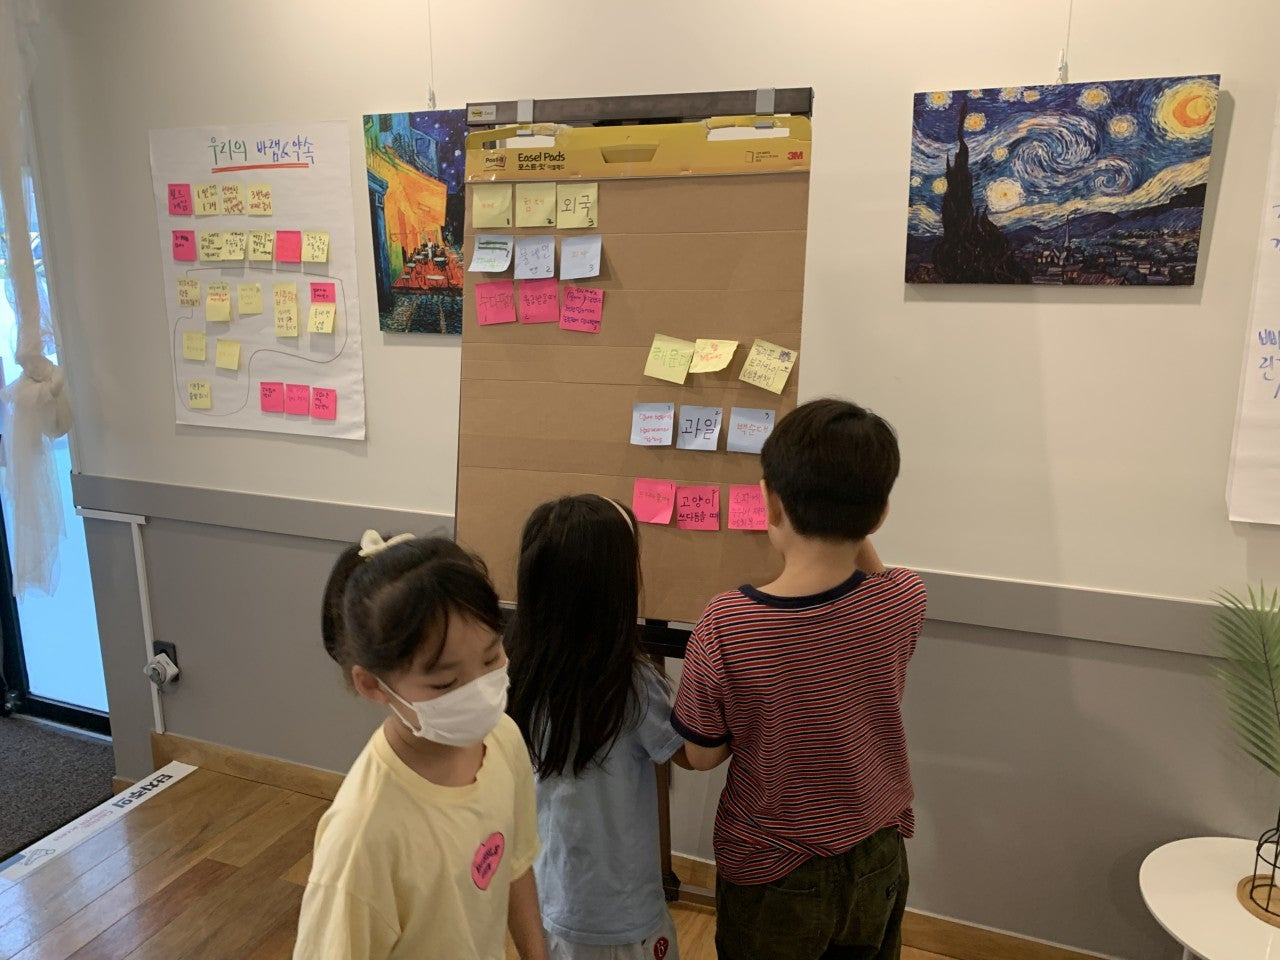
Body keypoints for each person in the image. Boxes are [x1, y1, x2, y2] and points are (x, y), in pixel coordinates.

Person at [672, 399, 928, 960]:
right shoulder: (904, 598)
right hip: (877, 850)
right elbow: (873, 572)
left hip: (772, 867)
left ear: (770, 501)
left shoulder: (729, 622)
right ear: (881, 515)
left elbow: (702, 756)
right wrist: (855, 520)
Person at [294, 531, 546, 960]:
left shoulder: (502, 739)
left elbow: (516, 867)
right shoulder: (362, 838)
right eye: (445, 682)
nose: (480, 690)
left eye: (490, 658)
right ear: (373, 685)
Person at [506, 494, 688, 960]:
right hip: (624, 915)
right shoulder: (632, 683)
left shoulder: (520, 671)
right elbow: (692, 753)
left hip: (551, 900)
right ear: (615, 589)